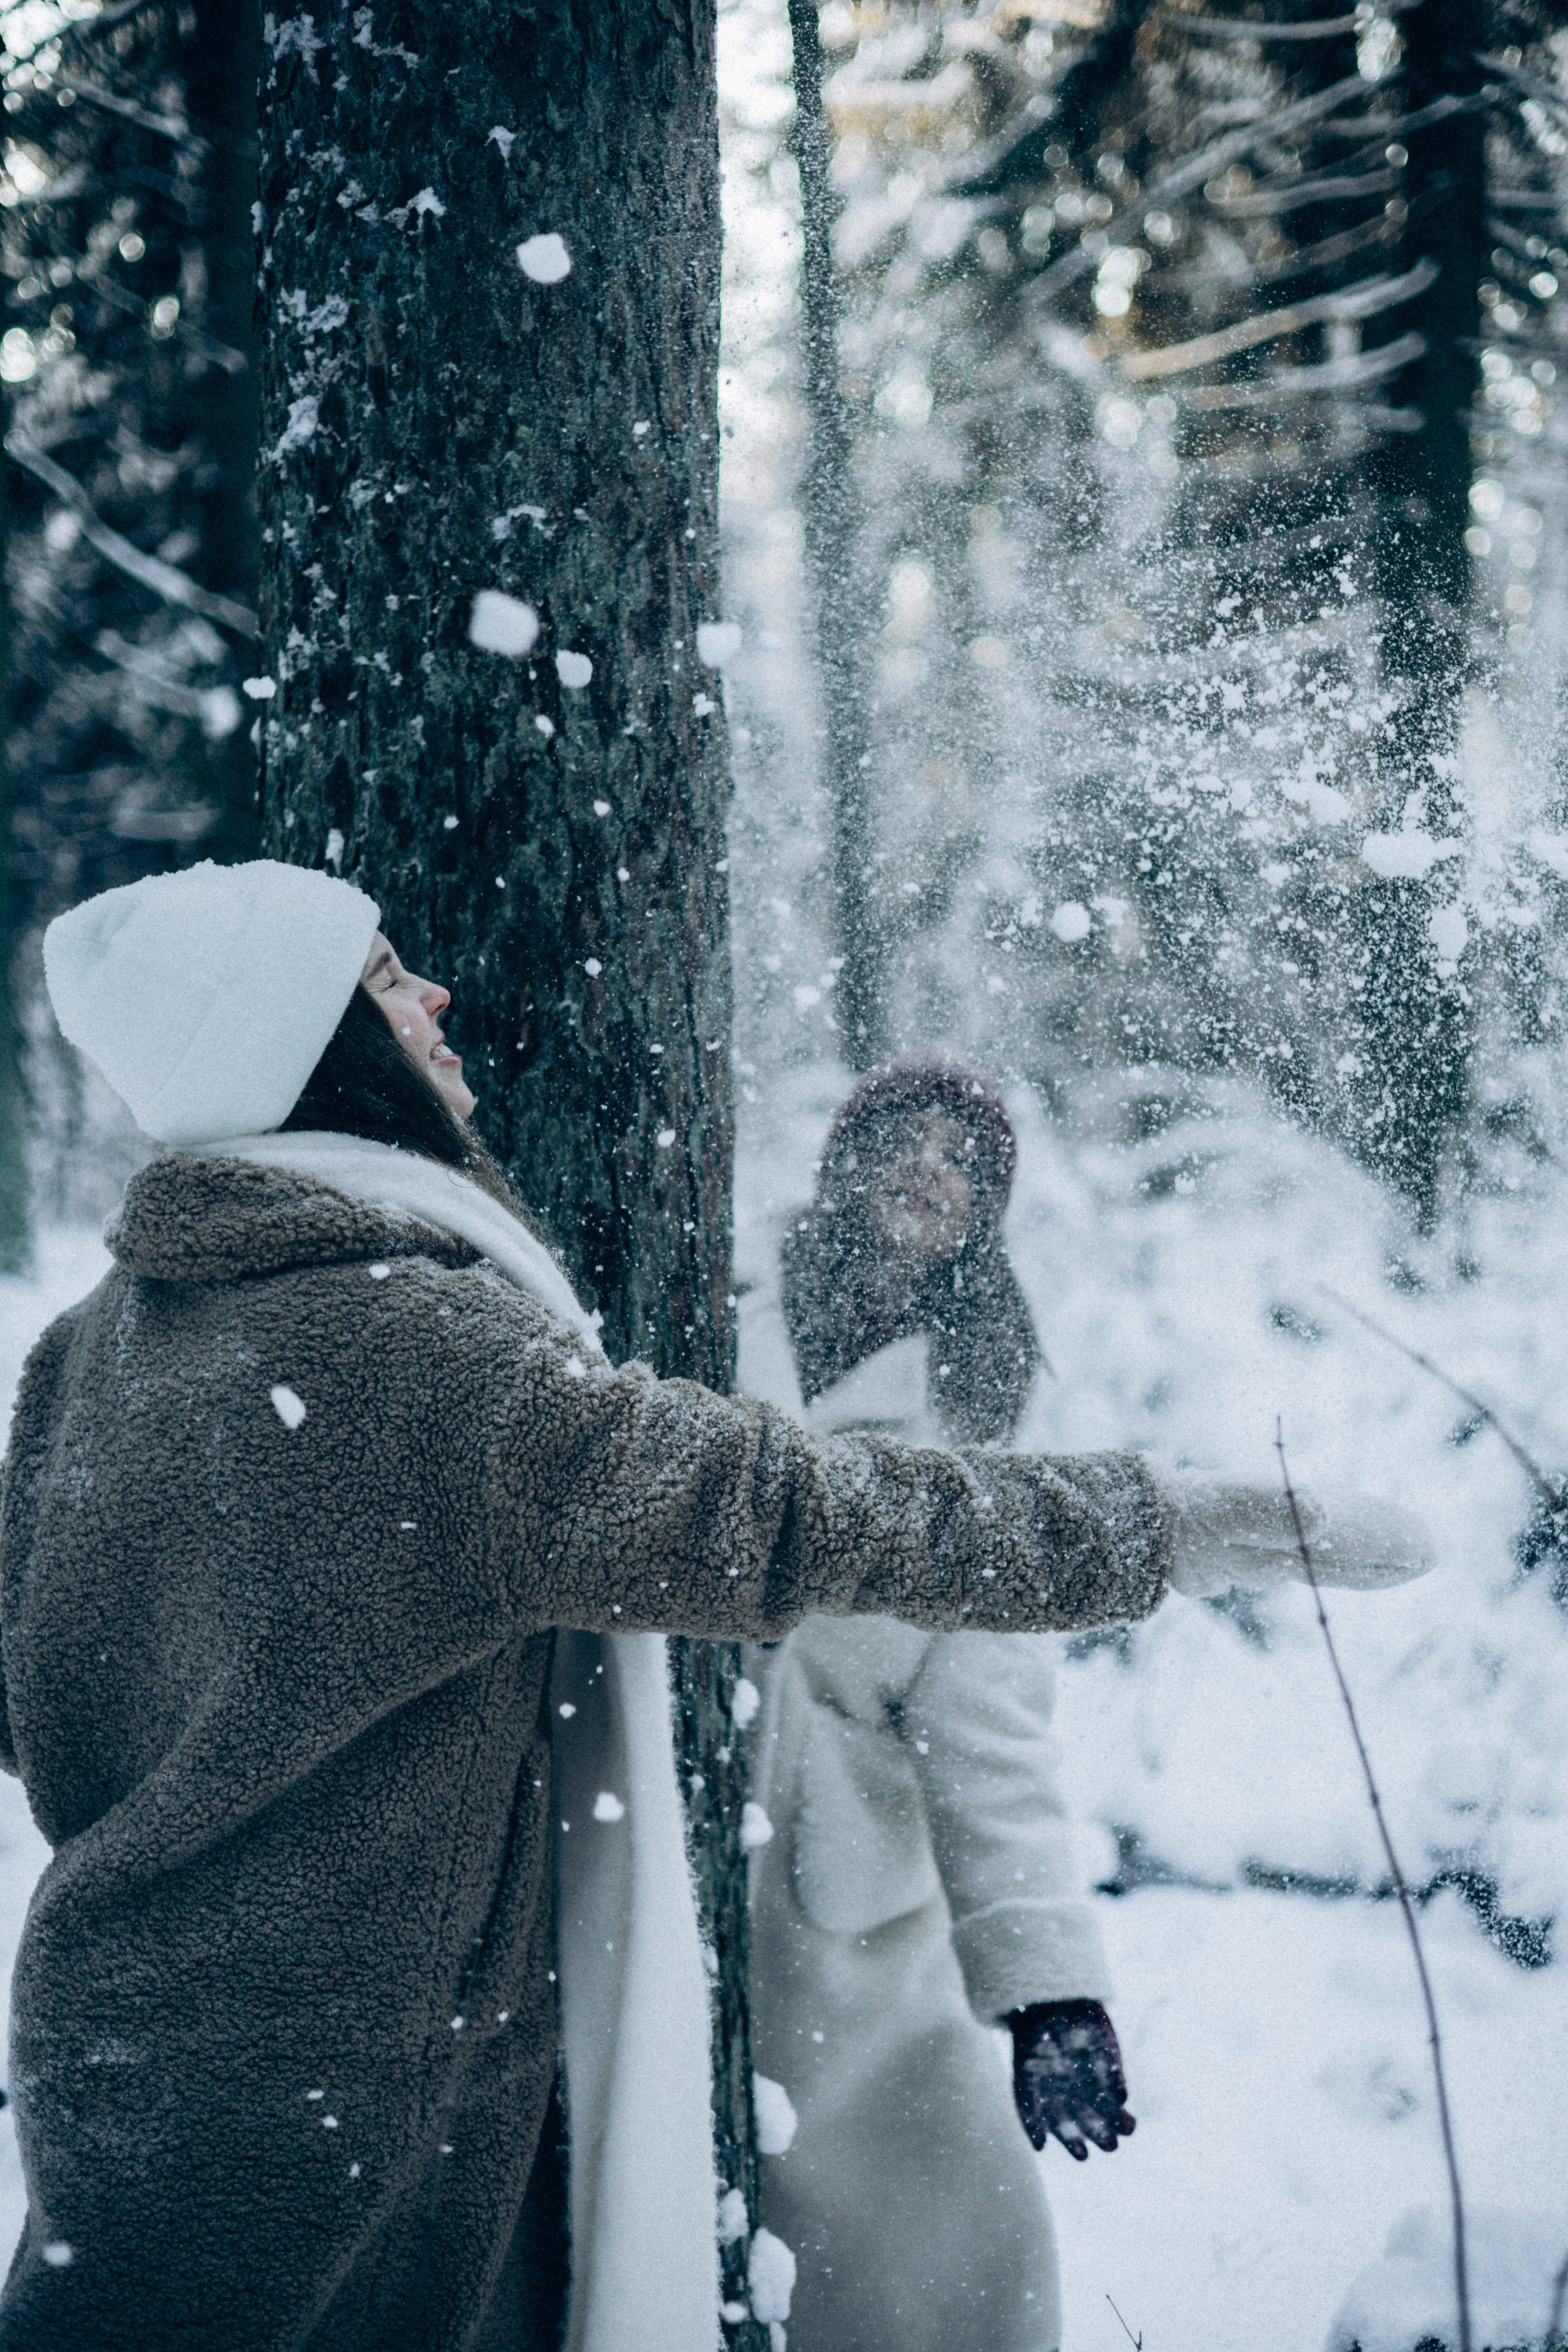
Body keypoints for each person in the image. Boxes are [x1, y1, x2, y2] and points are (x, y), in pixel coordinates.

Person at [0, 861, 1425, 2352]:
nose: (434, 997)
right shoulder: (420, 1346)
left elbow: (44, 1700)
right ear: (305, 1040)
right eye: (381, 981)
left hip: (124, 2030)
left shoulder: (95, 1349)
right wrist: (1165, 1523)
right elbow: (792, 1512)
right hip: (336, 2082)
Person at [738, 1055, 1430, 2352]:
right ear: (843, 1163)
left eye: (961, 1157)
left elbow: (988, 1720)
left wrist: (1046, 1986)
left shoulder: (987, 1401)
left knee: (924, 2217)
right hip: (656, 1804)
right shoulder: (720, 1296)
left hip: (840, 1871)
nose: (926, 1170)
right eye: (901, 1140)